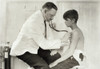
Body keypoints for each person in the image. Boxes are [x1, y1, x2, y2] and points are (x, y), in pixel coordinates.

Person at [10, 2, 68, 69]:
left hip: (36, 47)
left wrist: (53, 49)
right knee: (43, 67)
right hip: (24, 50)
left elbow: (49, 35)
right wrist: (61, 42)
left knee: (56, 57)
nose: (52, 18)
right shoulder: (34, 22)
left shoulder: (44, 18)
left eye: (53, 16)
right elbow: (43, 44)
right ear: (45, 10)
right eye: (51, 15)